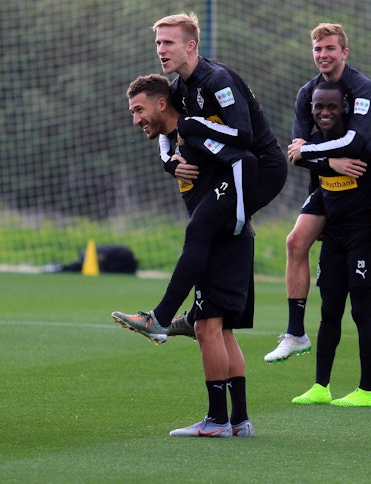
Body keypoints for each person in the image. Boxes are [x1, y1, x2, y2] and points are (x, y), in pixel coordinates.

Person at [113, 12, 287, 342]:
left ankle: (162, 318)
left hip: (260, 168)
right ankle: (194, 317)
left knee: (200, 228)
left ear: (191, 45)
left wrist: (193, 127)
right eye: (157, 43)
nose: (161, 49)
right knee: (213, 238)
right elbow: (167, 131)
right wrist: (169, 163)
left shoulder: (217, 80)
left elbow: (243, 135)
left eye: (168, 42)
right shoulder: (179, 89)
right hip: (233, 167)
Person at [265, 22, 371, 363]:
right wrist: (330, 163)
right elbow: (296, 153)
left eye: (330, 48)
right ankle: (295, 333)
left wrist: (313, 153)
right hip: (334, 176)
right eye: (318, 49)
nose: (323, 55)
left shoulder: (361, 86)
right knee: (295, 241)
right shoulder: (307, 93)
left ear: (344, 52)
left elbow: (357, 142)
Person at [120, 74, 256, 437]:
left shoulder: (193, 134)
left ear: (161, 104)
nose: (135, 119)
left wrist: (237, 214)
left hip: (223, 238)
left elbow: (241, 155)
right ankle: (239, 420)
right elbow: (168, 148)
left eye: (139, 109)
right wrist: (171, 163)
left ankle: (216, 421)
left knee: (207, 327)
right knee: (221, 330)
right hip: (230, 238)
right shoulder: (173, 141)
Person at [289, 81, 371, 407]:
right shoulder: (316, 142)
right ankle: (321, 386)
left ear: (345, 107)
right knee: (329, 312)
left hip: (363, 238)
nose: (324, 112)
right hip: (332, 236)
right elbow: (307, 168)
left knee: (361, 311)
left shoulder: (361, 141)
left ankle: (367, 390)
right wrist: (329, 168)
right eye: (319, 107)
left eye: (332, 106)